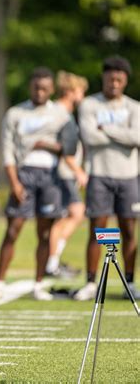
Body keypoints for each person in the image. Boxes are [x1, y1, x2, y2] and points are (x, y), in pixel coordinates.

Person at [0, 67, 71, 301]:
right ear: (30, 87)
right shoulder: (16, 113)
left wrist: (46, 144)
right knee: (13, 229)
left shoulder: (61, 115)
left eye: (45, 88)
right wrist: (14, 182)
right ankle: (0, 282)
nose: (40, 92)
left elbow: (69, 147)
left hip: (50, 177)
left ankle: (38, 284)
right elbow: (7, 151)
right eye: (36, 87)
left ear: (52, 89)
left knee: (45, 234)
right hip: (23, 174)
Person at [75, 56, 140, 300]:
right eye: (110, 78)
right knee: (98, 230)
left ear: (125, 81)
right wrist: (123, 135)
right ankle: (92, 283)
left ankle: (130, 283)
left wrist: (106, 130)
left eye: (119, 79)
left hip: (129, 176)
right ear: (103, 78)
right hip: (100, 175)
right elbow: (90, 138)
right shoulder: (90, 105)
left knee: (129, 230)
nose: (114, 83)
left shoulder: (135, 107)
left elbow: (138, 137)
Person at [45, 71, 88, 278]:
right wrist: (78, 171)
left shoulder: (64, 112)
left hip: (63, 172)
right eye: (81, 91)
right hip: (61, 172)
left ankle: (54, 260)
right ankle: (52, 262)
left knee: (70, 215)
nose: (83, 96)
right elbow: (64, 149)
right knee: (73, 214)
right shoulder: (61, 113)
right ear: (71, 92)